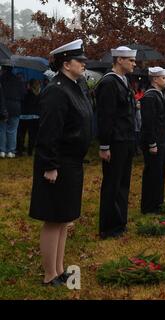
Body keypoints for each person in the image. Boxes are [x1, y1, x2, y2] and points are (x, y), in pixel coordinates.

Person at [29, 39, 93, 286]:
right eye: (81, 61)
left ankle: (59, 269)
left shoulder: (74, 86)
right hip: (58, 163)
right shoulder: (57, 90)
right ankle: (49, 274)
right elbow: (48, 133)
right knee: (53, 218)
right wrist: (50, 165)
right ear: (66, 64)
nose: (84, 64)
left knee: (64, 219)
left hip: (72, 163)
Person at [96, 46, 137, 239]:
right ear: (119, 60)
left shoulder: (124, 80)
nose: (133, 63)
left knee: (123, 183)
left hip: (126, 138)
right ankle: (108, 226)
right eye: (130, 60)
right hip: (115, 141)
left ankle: (120, 222)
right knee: (112, 184)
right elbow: (106, 116)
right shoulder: (109, 82)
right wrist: (105, 145)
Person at [140, 67, 165, 214]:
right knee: (153, 174)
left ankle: (157, 203)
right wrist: (152, 143)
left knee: (159, 173)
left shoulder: (159, 95)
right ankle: (149, 206)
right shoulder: (150, 97)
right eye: (164, 78)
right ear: (155, 79)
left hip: (161, 139)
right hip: (154, 142)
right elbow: (149, 123)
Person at [0, 66, 25, 158]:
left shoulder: (1, 79)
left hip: (3, 106)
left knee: (2, 129)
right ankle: (11, 151)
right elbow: (23, 94)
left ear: (3, 69)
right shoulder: (18, 80)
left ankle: (2, 150)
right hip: (16, 106)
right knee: (13, 130)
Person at [17, 79, 42, 157]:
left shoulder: (25, 93)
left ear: (29, 85)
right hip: (35, 117)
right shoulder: (40, 95)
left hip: (23, 117)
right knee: (32, 136)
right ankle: (30, 152)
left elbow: (21, 101)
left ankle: (20, 151)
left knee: (21, 135)